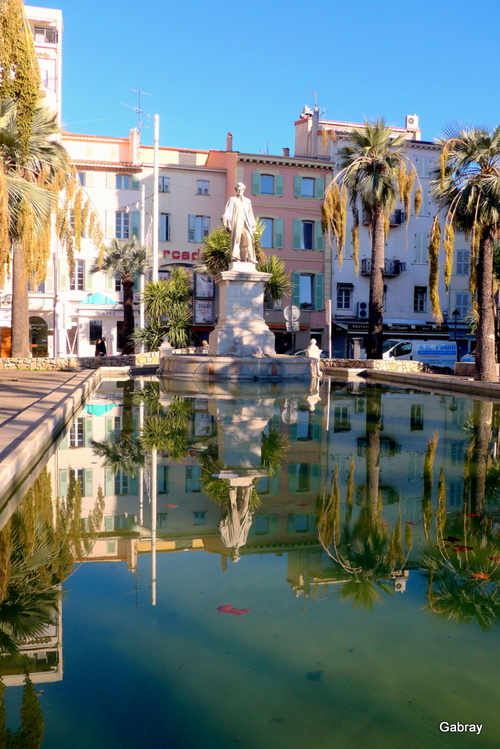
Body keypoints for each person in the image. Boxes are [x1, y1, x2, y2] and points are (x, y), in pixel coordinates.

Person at [222, 182, 257, 264]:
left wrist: (253, 224)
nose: (239, 191)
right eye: (238, 189)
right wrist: (225, 221)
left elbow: (250, 214)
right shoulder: (232, 200)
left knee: (248, 239)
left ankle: (250, 257)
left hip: (246, 223)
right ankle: (235, 257)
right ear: (236, 190)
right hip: (237, 222)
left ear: (244, 190)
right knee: (237, 240)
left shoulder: (247, 201)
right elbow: (228, 211)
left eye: (241, 189)